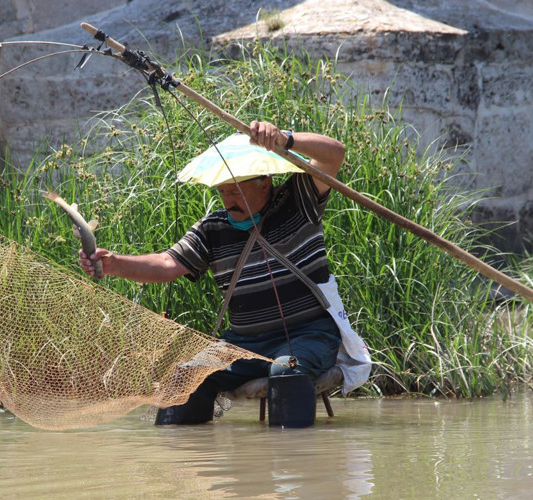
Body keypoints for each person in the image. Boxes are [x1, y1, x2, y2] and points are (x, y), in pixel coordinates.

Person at [79, 120, 347, 426]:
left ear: (265, 183)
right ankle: (178, 462)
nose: (229, 200)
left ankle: (291, 463)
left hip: (307, 334)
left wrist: (284, 138)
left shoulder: (298, 201)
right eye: (223, 192)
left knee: (286, 370)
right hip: (243, 343)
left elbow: (334, 154)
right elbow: (168, 264)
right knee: (186, 376)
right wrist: (113, 263)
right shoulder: (213, 228)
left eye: (236, 191)